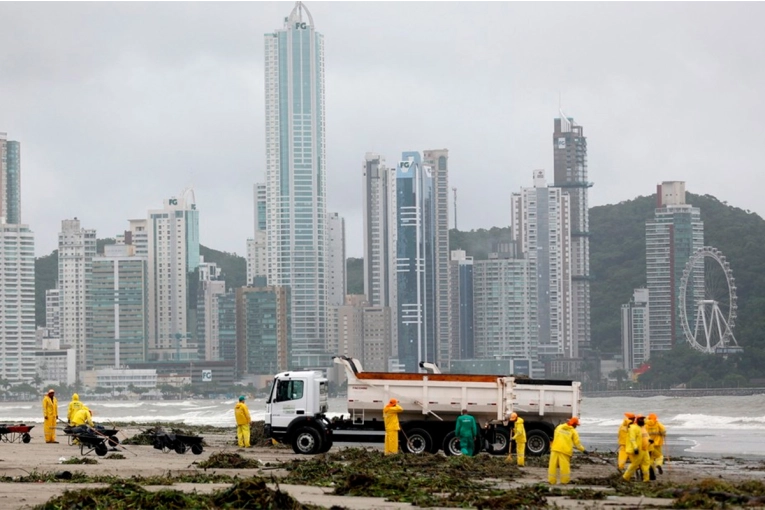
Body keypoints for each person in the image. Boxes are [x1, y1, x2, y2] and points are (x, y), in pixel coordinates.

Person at [548, 417, 587, 484]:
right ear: (574, 424)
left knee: (552, 466)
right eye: (576, 425)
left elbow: (555, 437)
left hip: (555, 449)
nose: (576, 427)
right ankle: (564, 482)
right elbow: (577, 444)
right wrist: (583, 450)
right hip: (565, 452)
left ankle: (552, 481)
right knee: (564, 468)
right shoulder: (573, 432)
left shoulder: (559, 427)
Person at [622, 415, 651, 482]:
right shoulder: (633, 428)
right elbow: (632, 439)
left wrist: (650, 441)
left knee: (646, 464)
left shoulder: (642, 428)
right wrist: (635, 448)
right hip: (639, 449)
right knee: (635, 464)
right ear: (637, 420)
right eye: (641, 419)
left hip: (645, 449)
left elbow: (646, 437)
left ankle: (646, 479)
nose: (642, 420)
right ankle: (625, 478)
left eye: (643, 419)